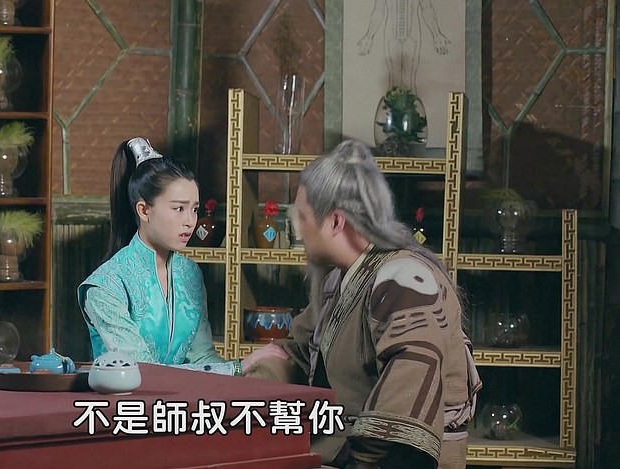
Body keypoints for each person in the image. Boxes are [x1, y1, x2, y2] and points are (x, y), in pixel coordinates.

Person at [241, 140, 480, 469]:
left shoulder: (403, 280)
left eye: (302, 217)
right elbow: (299, 353)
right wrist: (255, 380)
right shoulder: (338, 280)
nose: (297, 230)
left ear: (336, 222)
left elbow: (403, 407)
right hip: (341, 450)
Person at [78, 137, 237, 375]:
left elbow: (202, 356)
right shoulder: (105, 287)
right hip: (124, 397)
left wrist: (244, 370)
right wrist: (236, 368)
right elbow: (144, 371)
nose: (190, 221)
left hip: (182, 397)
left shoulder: (189, 273)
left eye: (195, 209)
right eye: (179, 208)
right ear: (144, 210)